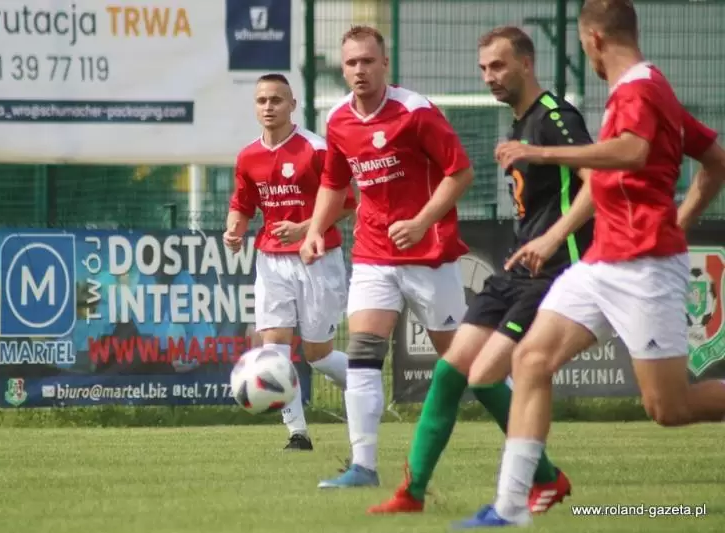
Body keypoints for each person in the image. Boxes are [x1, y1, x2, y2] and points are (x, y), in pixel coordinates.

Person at [458, 0, 725, 527]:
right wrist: (680, 220)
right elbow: (716, 161)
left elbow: (630, 151)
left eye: (584, 45)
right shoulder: (649, 88)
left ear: (595, 40)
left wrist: (540, 153)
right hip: (602, 261)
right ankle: (510, 507)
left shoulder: (639, 90)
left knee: (668, 408)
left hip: (645, 268)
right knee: (530, 360)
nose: (587, 54)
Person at [367, 25, 593, 515]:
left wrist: (553, 238)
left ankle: (543, 481)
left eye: (499, 66)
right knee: (451, 371)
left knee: (487, 377)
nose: (489, 76)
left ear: (526, 64)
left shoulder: (555, 117)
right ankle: (412, 493)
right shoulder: (517, 126)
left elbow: (599, 184)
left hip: (555, 271)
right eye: (484, 68)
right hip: (515, 269)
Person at [299, 25, 475, 488]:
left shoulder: (415, 112)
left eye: (367, 61)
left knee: (467, 361)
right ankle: (363, 467)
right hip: (374, 253)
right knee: (363, 354)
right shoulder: (339, 119)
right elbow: (334, 183)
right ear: (344, 69)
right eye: (351, 62)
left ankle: (528, 442)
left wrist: (421, 222)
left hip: (429, 254)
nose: (359, 69)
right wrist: (315, 230)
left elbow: (461, 172)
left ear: (384, 64)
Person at [224, 73, 356, 451]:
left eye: (276, 100)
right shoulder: (248, 156)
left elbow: (348, 202)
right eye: (262, 100)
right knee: (274, 349)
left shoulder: (315, 149)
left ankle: (363, 384)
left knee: (318, 355)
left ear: (292, 105)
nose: (269, 107)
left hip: (317, 258)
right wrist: (234, 230)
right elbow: (242, 205)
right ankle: (297, 434)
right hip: (271, 260)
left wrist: (304, 228)